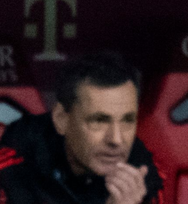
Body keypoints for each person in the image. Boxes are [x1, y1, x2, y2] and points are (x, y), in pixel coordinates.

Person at [0, 51, 164, 203]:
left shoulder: (144, 173)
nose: (116, 139)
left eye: (127, 120)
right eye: (99, 121)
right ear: (61, 120)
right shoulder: (15, 163)